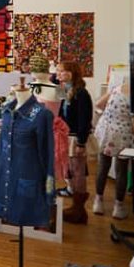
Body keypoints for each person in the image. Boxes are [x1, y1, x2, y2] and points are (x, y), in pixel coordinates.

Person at [57, 61, 93, 224]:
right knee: (72, 170)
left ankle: (79, 209)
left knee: (78, 171)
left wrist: (81, 142)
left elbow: (84, 119)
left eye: (62, 71)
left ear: (72, 73)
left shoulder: (81, 93)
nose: (59, 74)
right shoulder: (65, 90)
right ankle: (76, 206)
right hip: (67, 136)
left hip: (76, 138)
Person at [93, 85, 134, 219]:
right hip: (124, 134)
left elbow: (99, 104)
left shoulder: (117, 87)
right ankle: (118, 207)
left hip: (107, 131)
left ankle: (98, 202)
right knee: (121, 170)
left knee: (102, 167)